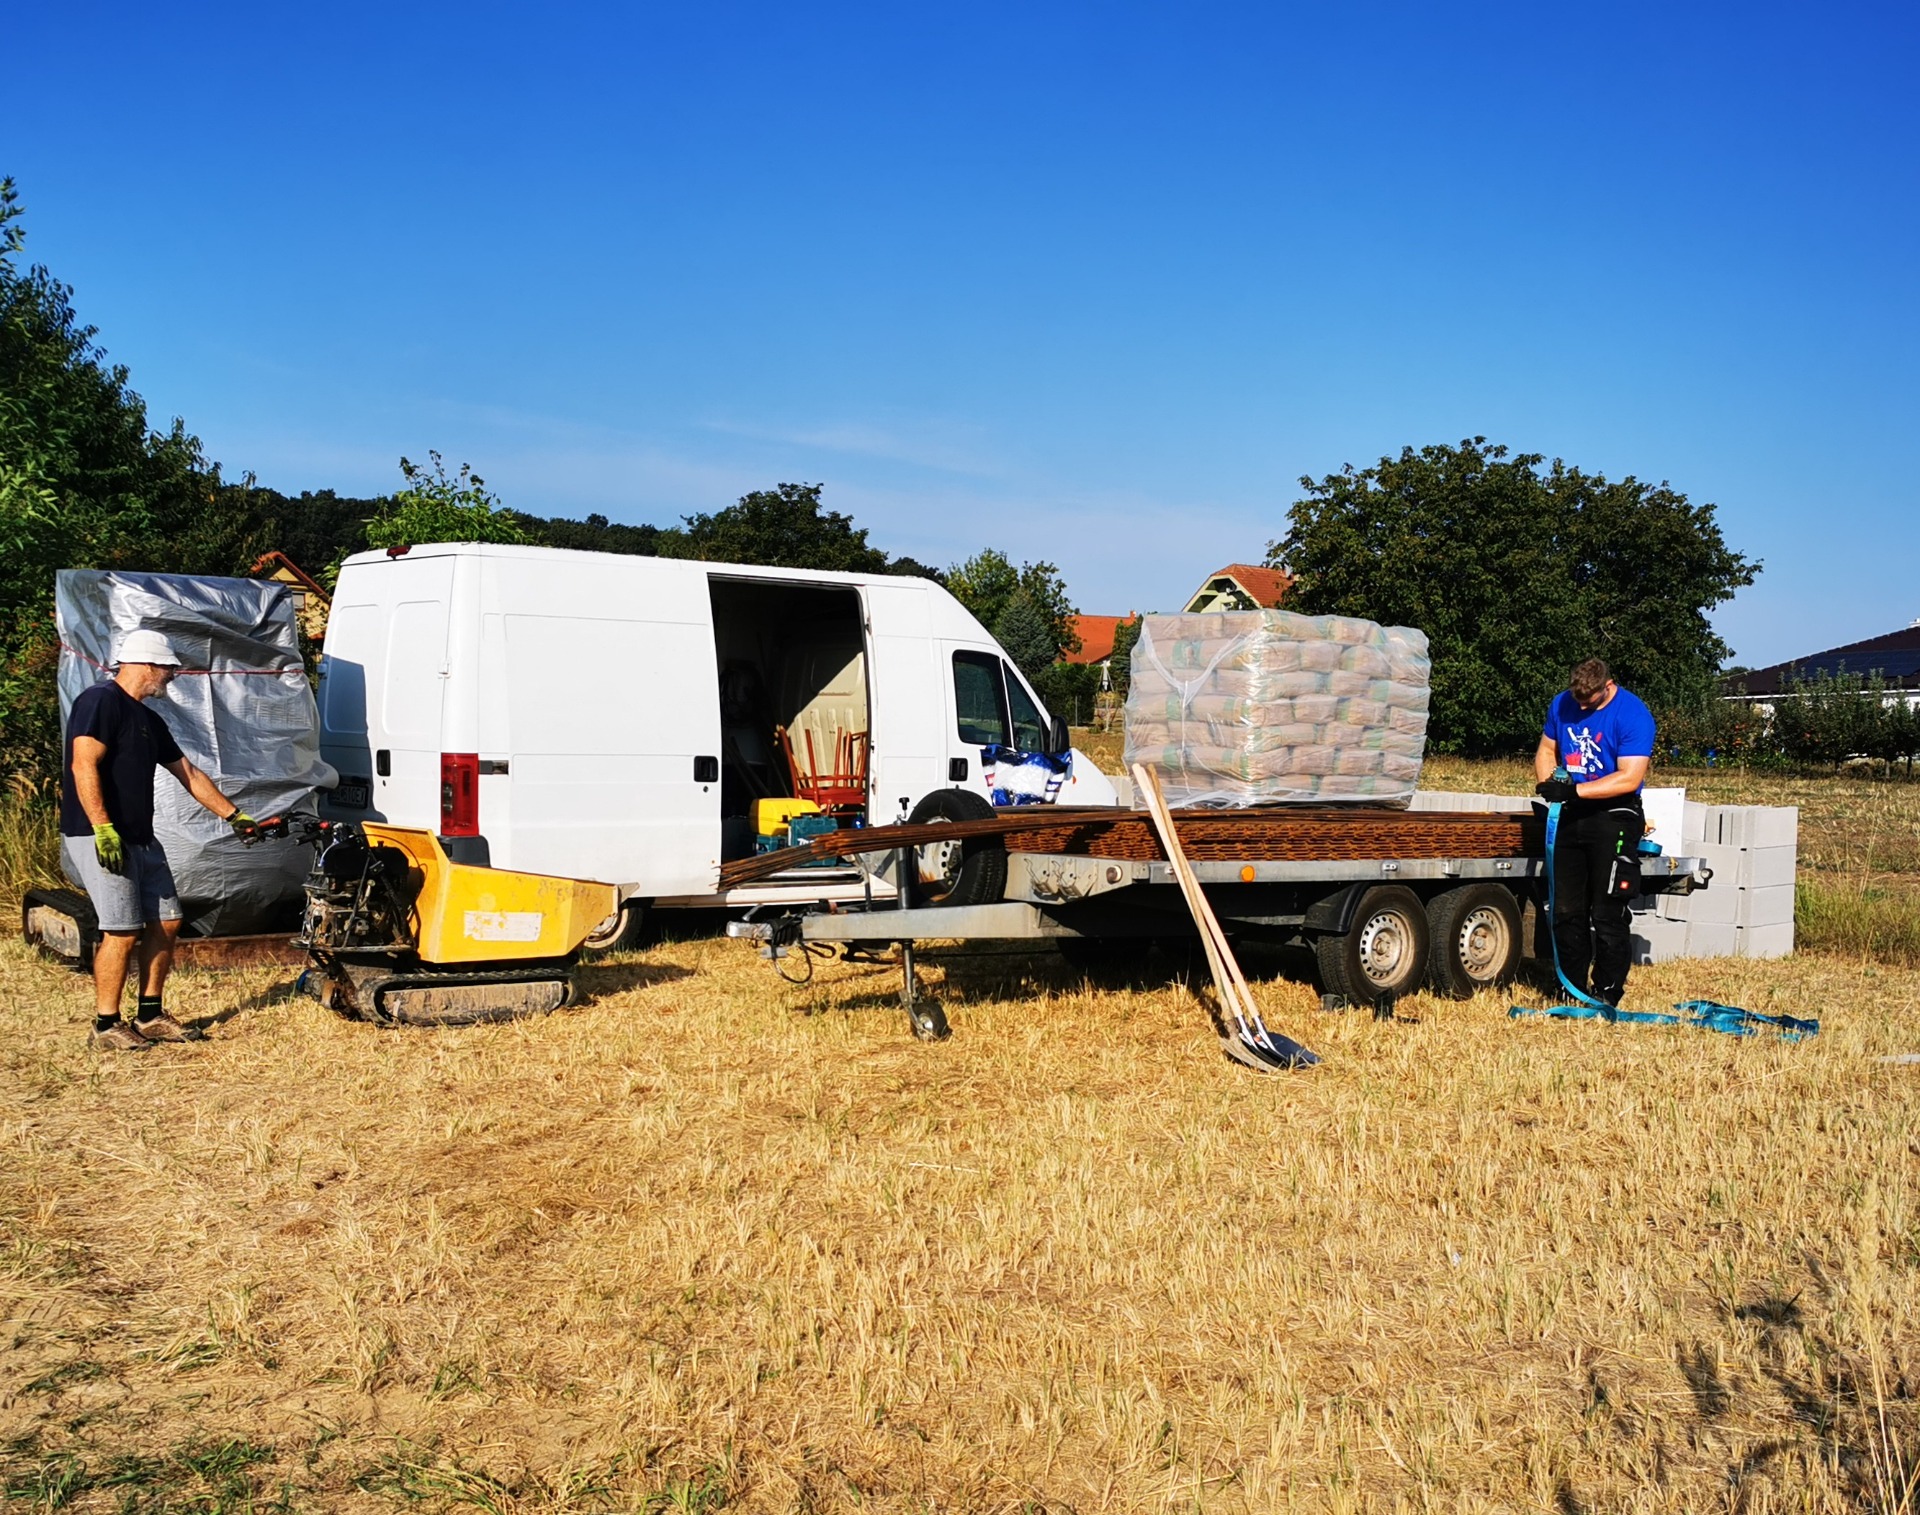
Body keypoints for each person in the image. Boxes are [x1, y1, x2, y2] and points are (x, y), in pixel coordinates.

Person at [60, 629, 261, 1050]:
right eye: (169, 668)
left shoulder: (149, 720)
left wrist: (234, 815)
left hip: (141, 838)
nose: (172, 675)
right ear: (148, 664)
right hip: (100, 835)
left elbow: (188, 773)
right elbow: (83, 764)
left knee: (167, 921)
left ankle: (149, 1016)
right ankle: (106, 1025)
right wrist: (102, 827)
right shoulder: (99, 702)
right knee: (122, 930)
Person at [1533, 657, 1656, 1007]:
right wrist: (1550, 784)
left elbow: (1629, 777)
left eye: (1590, 702)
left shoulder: (1633, 714)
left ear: (1608, 686)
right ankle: (1569, 988)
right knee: (1566, 909)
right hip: (1571, 812)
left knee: (1606, 911)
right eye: (1578, 701)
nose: (1582, 708)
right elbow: (1546, 749)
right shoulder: (1562, 703)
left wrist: (1575, 791)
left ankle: (1606, 992)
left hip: (1614, 814)